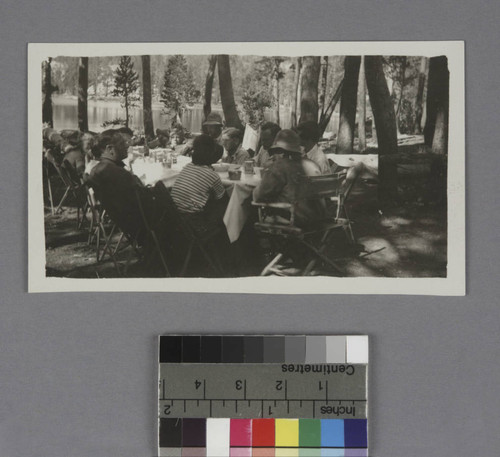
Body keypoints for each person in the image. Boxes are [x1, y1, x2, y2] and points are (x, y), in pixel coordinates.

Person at [253, 129, 325, 227]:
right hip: (318, 217)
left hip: (294, 218)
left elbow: (259, 196)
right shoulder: (313, 164)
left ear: (279, 150)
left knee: (251, 209)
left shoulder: (280, 166)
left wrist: (267, 170)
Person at [88, 129, 145, 241]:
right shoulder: (117, 173)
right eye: (122, 144)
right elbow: (142, 197)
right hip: (140, 223)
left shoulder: (97, 169)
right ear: (110, 149)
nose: (127, 146)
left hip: (122, 222)